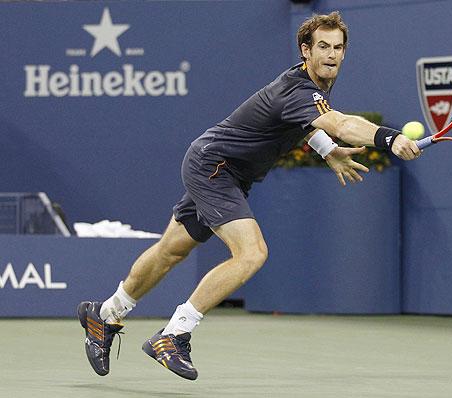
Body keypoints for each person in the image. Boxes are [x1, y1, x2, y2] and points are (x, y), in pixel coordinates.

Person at [77, 11, 420, 381]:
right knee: (252, 253)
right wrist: (390, 137)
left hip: (224, 169)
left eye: (338, 47)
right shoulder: (302, 89)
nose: (331, 54)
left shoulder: (310, 86)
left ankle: (105, 315)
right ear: (306, 50)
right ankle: (174, 334)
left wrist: (326, 150)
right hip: (216, 166)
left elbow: (305, 123)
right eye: (322, 46)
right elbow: (339, 123)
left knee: (170, 250)